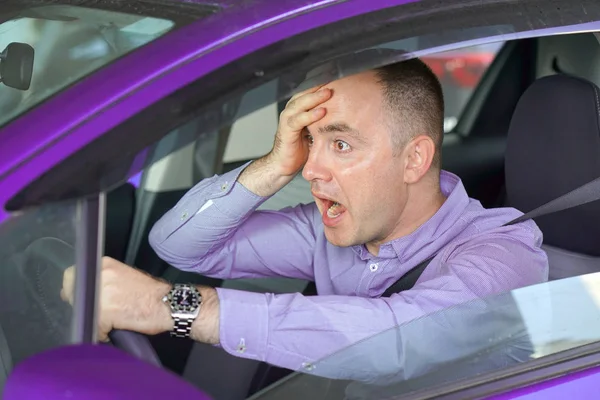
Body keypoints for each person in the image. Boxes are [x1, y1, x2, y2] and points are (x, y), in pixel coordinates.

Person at [61, 58, 548, 379]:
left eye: (340, 144)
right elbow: (179, 246)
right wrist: (273, 165)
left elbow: (400, 340)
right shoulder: (331, 228)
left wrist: (172, 306)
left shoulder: (504, 255)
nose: (311, 169)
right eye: (310, 142)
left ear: (414, 159)